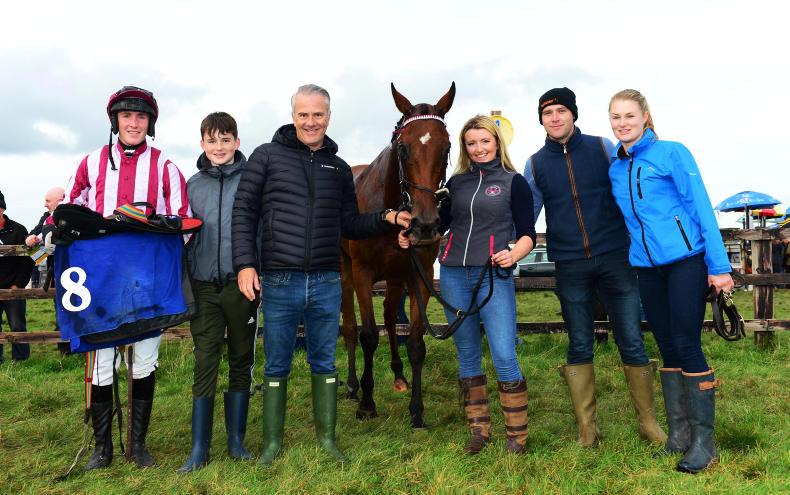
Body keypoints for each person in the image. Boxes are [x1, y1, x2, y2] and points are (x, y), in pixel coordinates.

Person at [231, 84, 410, 465]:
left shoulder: (338, 168)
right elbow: (243, 212)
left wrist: (387, 218)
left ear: (328, 117)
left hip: (327, 281)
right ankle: (272, 445)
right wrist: (245, 264)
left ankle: (327, 440)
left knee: (324, 362)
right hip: (280, 279)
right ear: (293, 116)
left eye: (318, 115)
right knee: (276, 363)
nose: (310, 122)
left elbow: (350, 224)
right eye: (304, 114)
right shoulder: (266, 157)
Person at [524, 87, 665, 447]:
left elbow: (630, 190)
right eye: (547, 113)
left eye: (561, 110)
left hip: (615, 256)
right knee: (579, 342)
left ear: (573, 114)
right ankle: (588, 429)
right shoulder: (535, 165)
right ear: (541, 120)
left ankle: (648, 423)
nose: (555, 118)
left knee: (631, 338)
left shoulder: (603, 148)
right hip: (569, 263)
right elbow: (525, 216)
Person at [64, 85, 190, 469]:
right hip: (102, 281)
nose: (133, 123)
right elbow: (68, 210)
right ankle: (102, 448)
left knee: (144, 359)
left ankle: (138, 445)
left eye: (141, 116)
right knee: (102, 360)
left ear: (150, 123)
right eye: (126, 116)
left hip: (145, 281)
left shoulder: (165, 166)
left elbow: (183, 221)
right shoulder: (91, 162)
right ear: (115, 120)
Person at [608, 89, 733, 473]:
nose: (622, 123)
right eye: (615, 117)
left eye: (629, 115)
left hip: (685, 262)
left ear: (645, 116)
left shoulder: (671, 153)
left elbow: (700, 207)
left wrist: (719, 266)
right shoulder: (616, 167)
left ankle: (704, 445)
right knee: (666, 347)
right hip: (647, 269)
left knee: (686, 343)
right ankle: (679, 435)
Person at [400, 115, 536, 454]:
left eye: (484, 141)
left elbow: (527, 234)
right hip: (454, 275)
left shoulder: (514, 182)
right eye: (471, 143)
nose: (478, 148)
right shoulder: (455, 184)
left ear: (497, 143)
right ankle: (479, 431)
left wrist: (513, 254)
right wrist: (410, 236)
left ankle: (516, 436)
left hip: (492, 275)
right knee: (468, 354)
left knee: (504, 353)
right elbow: (438, 225)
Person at [179, 112, 258, 472]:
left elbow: (261, 229)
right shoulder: (192, 185)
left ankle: (236, 441)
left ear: (237, 142)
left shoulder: (253, 182)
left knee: (242, 358)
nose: (219, 147)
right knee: (205, 360)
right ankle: (199, 448)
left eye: (226, 140)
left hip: (241, 286)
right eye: (212, 140)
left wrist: (256, 268)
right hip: (204, 287)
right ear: (202, 144)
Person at [0, 190, 34, 362]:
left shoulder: (19, 230)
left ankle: (21, 359)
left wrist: (18, 284)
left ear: (1, 209)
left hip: (13, 288)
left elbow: (31, 257)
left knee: (17, 325)